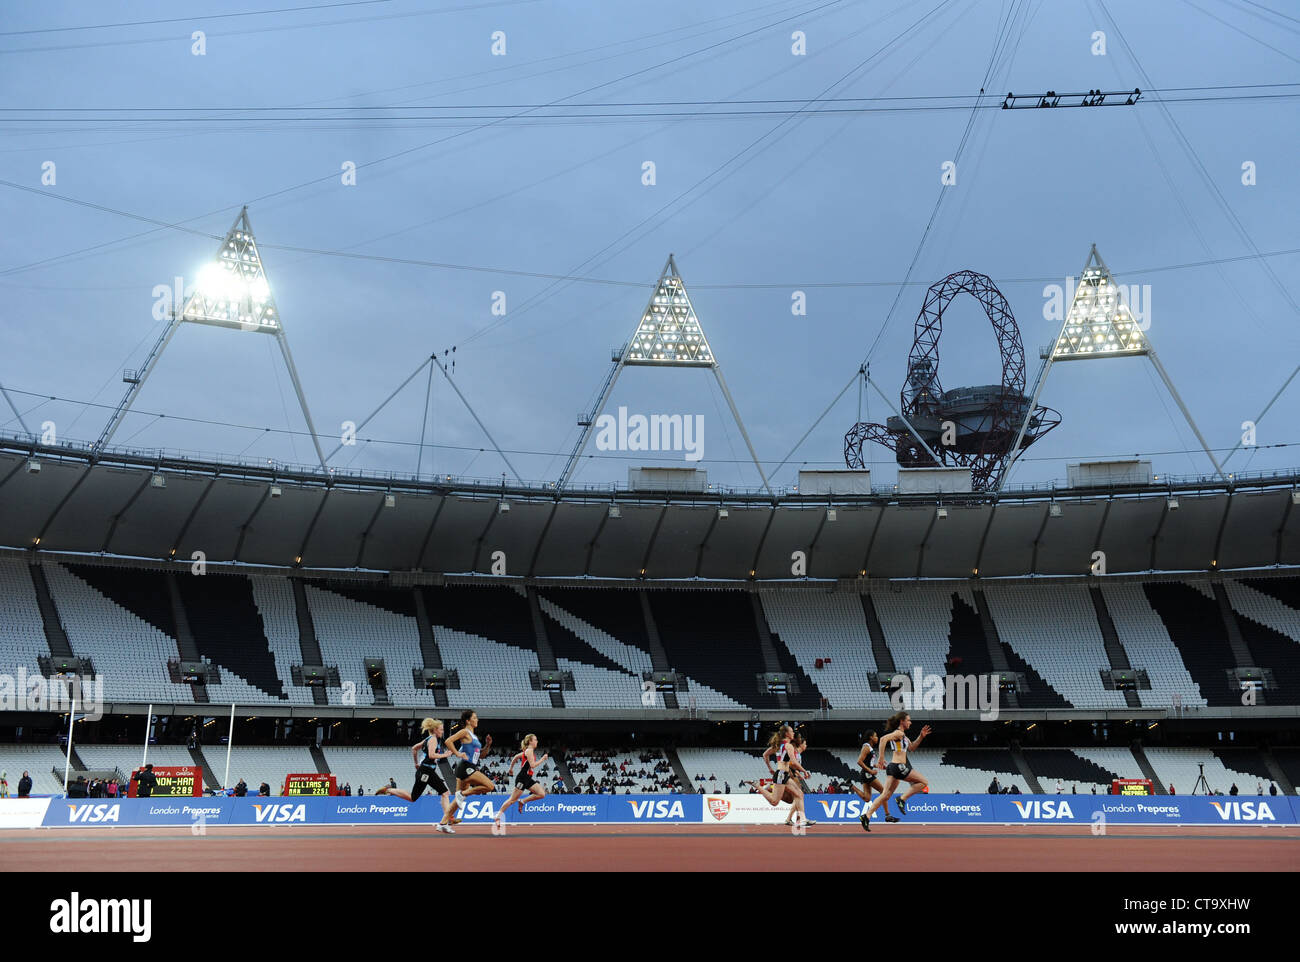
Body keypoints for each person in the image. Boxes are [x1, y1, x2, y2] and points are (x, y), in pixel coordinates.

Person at [377, 717, 456, 834]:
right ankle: (445, 822)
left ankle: (389, 790)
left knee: (413, 797)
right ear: (435, 730)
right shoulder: (433, 739)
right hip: (426, 772)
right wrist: (445, 755)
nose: (442, 731)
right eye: (441, 729)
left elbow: (414, 749)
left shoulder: (427, 739)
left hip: (425, 771)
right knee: (444, 793)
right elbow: (432, 755)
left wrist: (416, 763)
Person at [860, 712, 931, 832]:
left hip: (893, 767)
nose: (910, 722)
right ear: (902, 721)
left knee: (885, 795)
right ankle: (902, 799)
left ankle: (866, 816)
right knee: (924, 782)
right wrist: (881, 757)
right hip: (899, 766)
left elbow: (912, 747)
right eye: (908, 720)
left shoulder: (903, 735)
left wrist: (921, 736)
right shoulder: (898, 733)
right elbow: (883, 739)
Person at [441, 709, 495, 829]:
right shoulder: (464, 732)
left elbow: (481, 755)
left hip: (467, 767)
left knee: (457, 799)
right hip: (466, 766)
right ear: (468, 721)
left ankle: (443, 823)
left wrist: (488, 745)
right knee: (490, 786)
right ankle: (463, 793)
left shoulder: (473, 736)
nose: (477, 720)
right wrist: (457, 753)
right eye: (474, 718)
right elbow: (448, 741)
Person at [497, 734, 550, 826]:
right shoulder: (529, 751)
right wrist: (542, 759)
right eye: (535, 740)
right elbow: (533, 765)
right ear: (530, 741)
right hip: (522, 778)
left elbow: (515, 757)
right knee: (512, 800)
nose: (537, 741)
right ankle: (498, 816)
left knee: (541, 794)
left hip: (528, 778)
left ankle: (523, 801)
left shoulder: (527, 751)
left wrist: (511, 768)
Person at [851, 731, 898, 823]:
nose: (877, 738)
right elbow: (859, 761)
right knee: (884, 791)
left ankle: (851, 786)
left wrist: (878, 766)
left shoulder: (869, 748)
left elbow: (869, 763)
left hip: (866, 774)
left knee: (867, 798)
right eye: (876, 736)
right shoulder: (866, 747)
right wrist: (870, 771)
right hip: (867, 774)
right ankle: (887, 815)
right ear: (871, 737)